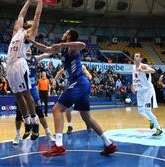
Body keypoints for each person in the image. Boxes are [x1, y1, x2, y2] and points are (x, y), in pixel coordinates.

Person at [28, 29, 117, 157]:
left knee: (57, 110)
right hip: (83, 84)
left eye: (65, 32)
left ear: (69, 36)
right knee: (87, 117)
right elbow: (47, 49)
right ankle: (109, 144)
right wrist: (32, 42)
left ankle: (58, 145)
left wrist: (63, 44)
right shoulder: (64, 48)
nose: (63, 33)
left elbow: (83, 45)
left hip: (79, 82)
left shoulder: (72, 48)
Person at [6, 0, 45, 141]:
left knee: (26, 94)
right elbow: (21, 14)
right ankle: (27, 122)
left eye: (31, 21)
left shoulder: (30, 34)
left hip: (20, 63)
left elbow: (37, 15)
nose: (28, 21)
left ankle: (35, 122)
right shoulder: (17, 30)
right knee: (17, 95)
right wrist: (28, 1)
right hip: (9, 65)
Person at [13, 49, 55, 145]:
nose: (28, 49)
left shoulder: (34, 58)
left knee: (39, 111)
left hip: (32, 88)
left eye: (30, 49)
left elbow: (45, 54)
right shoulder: (20, 59)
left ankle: (48, 132)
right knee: (19, 113)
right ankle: (18, 135)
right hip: (22, 87)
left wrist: (53, 50)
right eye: (26, 48)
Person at [53, 65, 93, 134]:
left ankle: (88, 123)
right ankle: (69, 126)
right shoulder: (69, 66)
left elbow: (90, 76)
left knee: (83, 111)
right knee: (68, 108)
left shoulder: (81, 67)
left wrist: (87, 75)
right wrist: (54, 80)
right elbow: (59, 72)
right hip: (71, 87)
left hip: (80, 88)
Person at [132, 53, 162, 136]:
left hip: (147, 91)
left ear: (141, 58)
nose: (135, 57)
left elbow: (153, 71)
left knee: (147, 111)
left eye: (137, 56)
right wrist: (133, 86)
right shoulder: (133, 67)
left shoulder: (143, 66)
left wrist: (143, 70)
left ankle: (158, 129)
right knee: (141, 111)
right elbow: (135, 77)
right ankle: (151, 120)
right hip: (139, 90)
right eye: (135, 56)